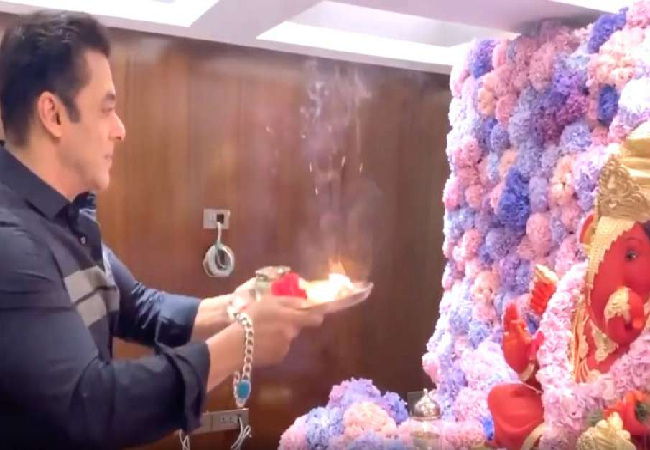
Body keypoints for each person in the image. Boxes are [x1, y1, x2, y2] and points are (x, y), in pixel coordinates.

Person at [0, 10, 324, 449]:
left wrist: (240, 305)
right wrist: (242, 340)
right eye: (107, 110)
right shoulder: (11, 240)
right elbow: (92, 405)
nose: (120, 130)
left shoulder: (70, 216)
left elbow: (141, 308)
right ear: (53, 114)